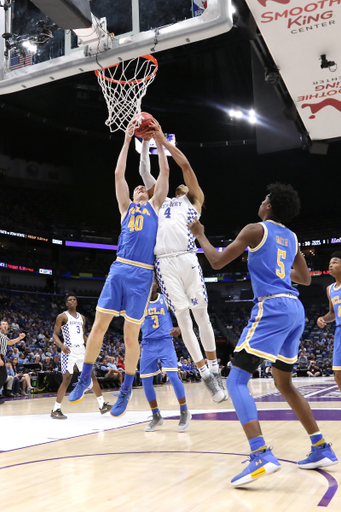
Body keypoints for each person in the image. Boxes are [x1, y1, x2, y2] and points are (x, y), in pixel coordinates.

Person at [188, 183, 338, 486]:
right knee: (284, 383)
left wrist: (199, 233)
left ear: (269, 207)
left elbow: (216, 260)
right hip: (295, 309)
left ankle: (260, 454)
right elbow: (306, 279)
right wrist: (276, 270)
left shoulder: (255, 229)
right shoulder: (292, 237)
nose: (260, 202)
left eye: (264, 199)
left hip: (272, 307)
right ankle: (320, 446)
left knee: (236, 380)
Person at [69, 120, 169, 417]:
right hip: (119, 269)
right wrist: (126, 140)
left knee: (129, 337)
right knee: (98, 327)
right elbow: (118, 173)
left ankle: (126, 390)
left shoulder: (155, 206)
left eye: (142, 187)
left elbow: (163, 172)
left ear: (149, 194)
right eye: (137, 186)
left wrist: (160, 142)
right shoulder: (125, 208)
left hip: (141, 274)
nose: (139, 187)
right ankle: (84, 378)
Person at [139, 136, 226, 403]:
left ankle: (214, 368)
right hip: (164, 263)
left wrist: (161, 138)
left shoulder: (194, 201)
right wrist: (146, 142)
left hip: (188, 257)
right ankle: (205, 374)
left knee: (201, 314)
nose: (179, 184)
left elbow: (185, 164)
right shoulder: (161, 199)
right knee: (183, 319)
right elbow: (144, 171)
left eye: (183, 184)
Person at [141, 278, 191, 432]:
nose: (150, 284)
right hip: (147, 344)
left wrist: (180, 328)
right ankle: (156, 415)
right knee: (146, 382)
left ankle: (184, 411)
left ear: (157, 285)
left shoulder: (165, 299)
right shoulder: (139, 302)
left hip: (165, 342)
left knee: (173, 376)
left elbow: (183, 313)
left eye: (153, 282)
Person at [52, 294, 111, 418]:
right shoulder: (62, 316)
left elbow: (82, 335)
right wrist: (62, 346)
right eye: (69, 300)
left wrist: (90, 342)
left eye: (74, 299)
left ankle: (102, 405)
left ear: (77, 302)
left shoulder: (82, 317)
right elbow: (55, 335)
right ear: (66, 303)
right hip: (69, 350)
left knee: (92, 376)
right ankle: (56, 409)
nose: (72, 301)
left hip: (82, 350)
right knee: (67, 379)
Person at [317, 251, 341, 392]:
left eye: (335, 262)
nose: (330, 265)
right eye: (329, 263)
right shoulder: (330, 289)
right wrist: (324, 319)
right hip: (339, 331)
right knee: (338, 375)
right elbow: (332, 313)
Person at [0, 320, 25, 404]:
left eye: (6, 324)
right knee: (3, 376)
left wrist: (19, 338)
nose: (5, 325)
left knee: (2, 376)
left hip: (1, 356)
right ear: (0, 326)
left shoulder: (4, 336)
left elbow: (10, 342)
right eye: (3, 324)